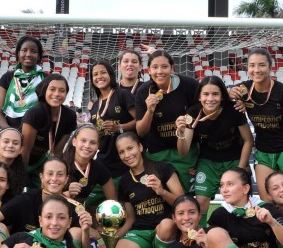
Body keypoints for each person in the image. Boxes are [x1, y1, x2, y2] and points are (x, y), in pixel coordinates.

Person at [228, 48, 283, 201]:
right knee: (268, 202)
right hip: (264, 151)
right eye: (252, 65)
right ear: (247, 68)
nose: (256, 70)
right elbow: (221, 94)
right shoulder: (243, 89)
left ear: (270, 67)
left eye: (261, 65)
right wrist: (230, 94)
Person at [176, 76, 253, 223]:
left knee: (240, 200)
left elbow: (248, 140)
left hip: (234, 160)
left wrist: (240, 170)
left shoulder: (234, 109)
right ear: (199, 96)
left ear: (222, 95)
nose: (210, 99)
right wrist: (180, 133)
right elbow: (183, 151)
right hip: (208, 161)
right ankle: (199, 238)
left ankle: (244, 233)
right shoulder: (193, 114)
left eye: (215, 94)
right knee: (201, 202)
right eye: (205, 94)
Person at [114, 131, 184, 248]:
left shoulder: (163, 168)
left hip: (165, 230)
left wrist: (162, 192)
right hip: (142, 232)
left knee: (167, 225)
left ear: (140, 147)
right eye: (121, 152)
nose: (127, 155)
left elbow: (183, 204)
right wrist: (113, 240)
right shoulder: (124, 181)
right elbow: (130, 219)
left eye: (130, 148)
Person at [0, 156, 91, 248]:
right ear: (41, 177)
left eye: (60, 174)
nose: (54, 179)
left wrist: (86, 231)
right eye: (50, 174)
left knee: (77, 232)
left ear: (66, 179)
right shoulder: (27, 198)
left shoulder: (75, 208)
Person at [135, 49, 199, 192]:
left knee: (187, 198)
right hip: (158, 154)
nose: (160, 71)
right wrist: (149, 111)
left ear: (172, 68)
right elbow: (141, 131)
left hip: (186, 152)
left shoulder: (190, 85)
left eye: (164, 66)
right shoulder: (143, 91)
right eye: (155, 67)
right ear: (149, 70)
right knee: (161, 197)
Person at [87, 60, 135, 209]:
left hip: (124, 161)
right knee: (90, 204)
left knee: (122, 207)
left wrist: (119, 128)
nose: (99, 76)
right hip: (103, 162)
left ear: (111, 75)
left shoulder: (122, 94)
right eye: (95, 74)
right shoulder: (95, 106)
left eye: (103, 72)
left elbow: (140, 122)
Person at [21, 73, 77, 187]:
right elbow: (25, 151)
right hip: (22, 161)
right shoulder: (35, 113)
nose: (56, 94)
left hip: (42, 163)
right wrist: (22, 175)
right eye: (52, 89)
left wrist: (49, 174)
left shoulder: (70, 116)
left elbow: (57, 152)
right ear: (44, 90)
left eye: (62, 90)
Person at [0, 35, 45, 130]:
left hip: (35, 134)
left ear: (39, 56)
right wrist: (9, 131)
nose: (28, 54)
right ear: (18, 53)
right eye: (24, 50)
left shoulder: (45, 79)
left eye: (33, 51)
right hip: (9, 133)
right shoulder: (7, 77)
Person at [60, 124, 115, 205]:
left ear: (97, 146)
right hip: (56, 213)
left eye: (92, 143)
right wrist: (65, 193)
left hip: (80, 215)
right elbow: (45, 195)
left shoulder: (97, 168)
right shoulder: (59, 164)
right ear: (74, 141)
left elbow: (113, 201)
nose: (87, 146)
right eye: (83, 140)